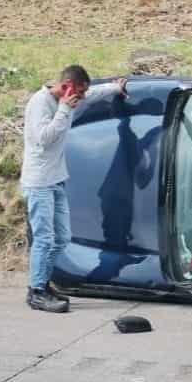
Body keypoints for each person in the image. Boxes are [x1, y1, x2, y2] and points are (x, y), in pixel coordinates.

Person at [21, 66, 128, 313]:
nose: (81, 97)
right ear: (67, 85)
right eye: (78, 92)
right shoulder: (40, 103)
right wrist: (64, 110)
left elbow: (90, 95)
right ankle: (36, 291)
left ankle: (42, 283)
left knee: (61, 238)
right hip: (38, 183)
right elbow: (43, 138)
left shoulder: (72, 97)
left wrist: (114, 88)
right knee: (45, 239)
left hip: (56, 179)